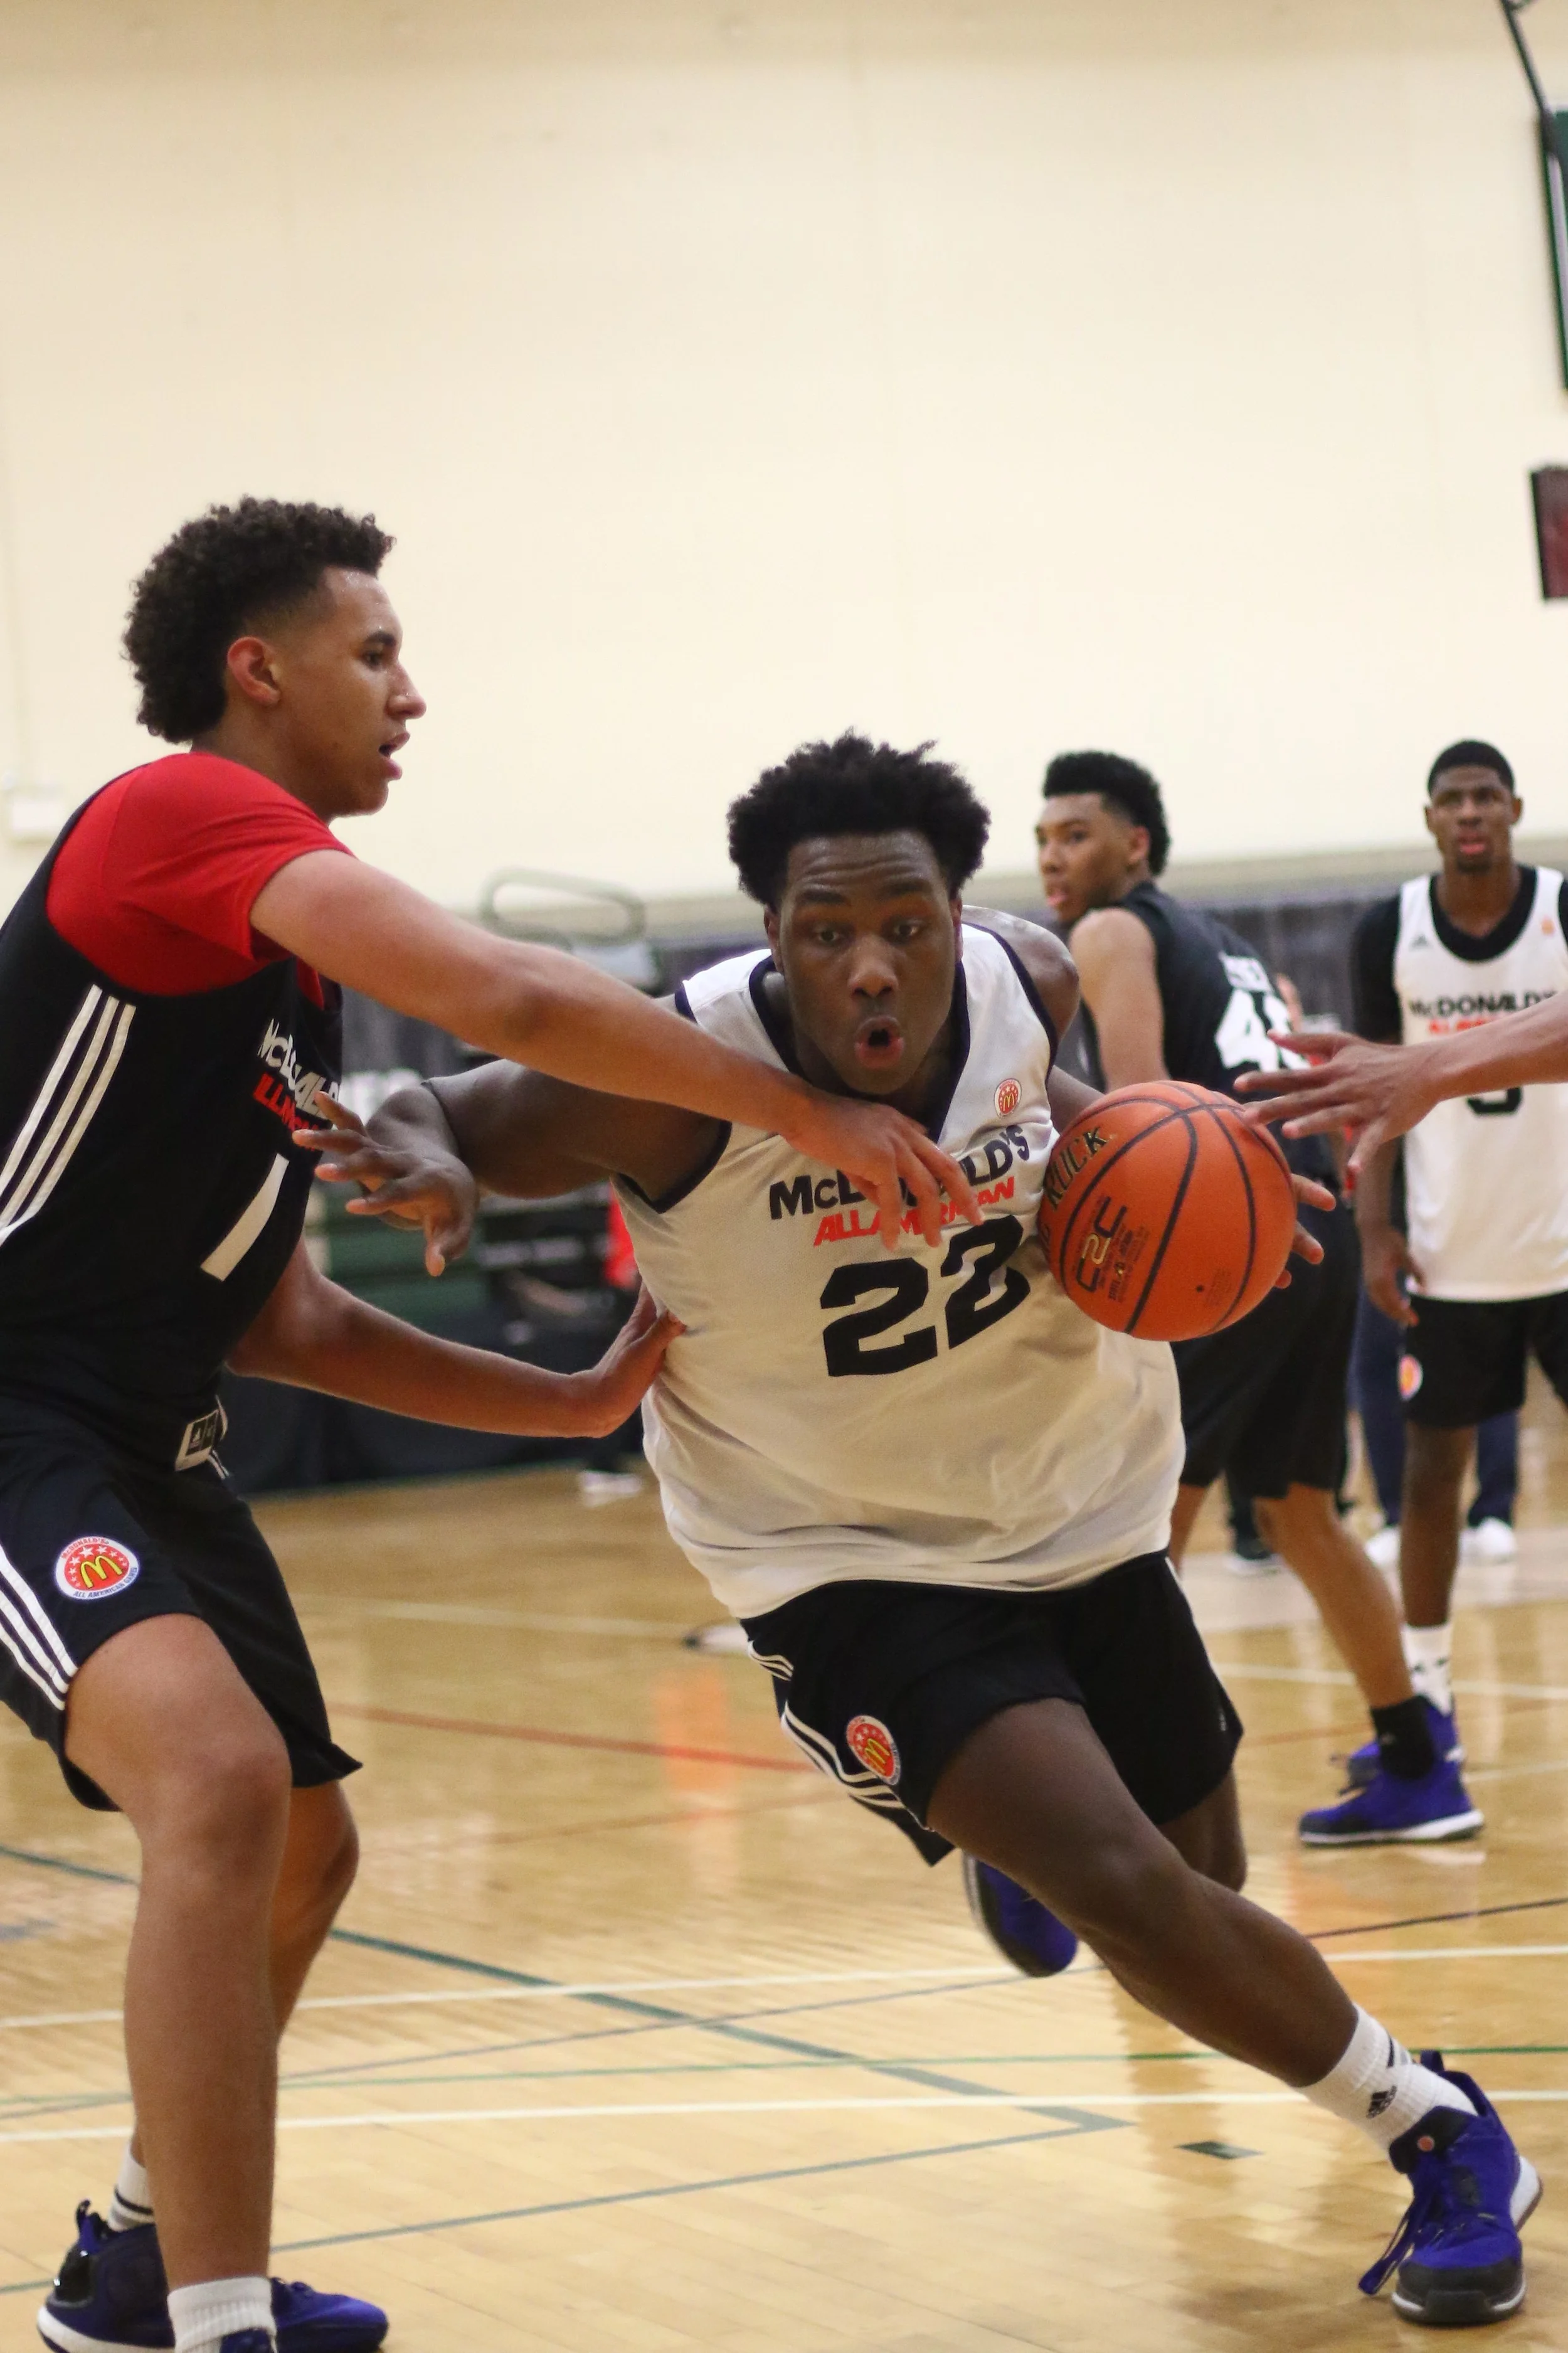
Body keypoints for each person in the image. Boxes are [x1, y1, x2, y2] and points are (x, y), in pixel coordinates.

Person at [347, 731, 1540, 2329]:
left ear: (954, 915)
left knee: (1197, 1886)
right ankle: (1443, 2133)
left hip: (1073, 1488)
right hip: (840, 1553)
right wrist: (423, 1167)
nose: (870, 969)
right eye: (824, 931)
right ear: (765, 932)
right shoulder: (659, 1080)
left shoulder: (1024, 981)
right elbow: (439, 1098)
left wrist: (1193, 1197)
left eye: (903, 924)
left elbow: (1053, 1133)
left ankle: (1016, 1845)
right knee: (1127, 1885)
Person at [3, 502, 979, 2353]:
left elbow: (275, 1306)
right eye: (376, 653)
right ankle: (216, 2326)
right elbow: (518, 1000)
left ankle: (142, 2259)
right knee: (210, 1782)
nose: (411, 692)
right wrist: (811, 1112)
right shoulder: (177, 818)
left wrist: (567, 1398)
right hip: (11, 1401)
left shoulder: (281, 989)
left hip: (152, 1420)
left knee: (300, 1839)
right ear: (255, 669)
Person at [1034, 750, 1478, 1847]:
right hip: (1299, 1216)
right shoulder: (1219, 938)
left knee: (1138, 1533)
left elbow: (1136, 1112)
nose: (1053, 857)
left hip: (1220, 1235)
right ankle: (1420, 1765)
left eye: (1075, 835)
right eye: (1043, 839)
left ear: (1133, 844)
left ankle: (1110, 1810)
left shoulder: (1108, 932)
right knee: (1296, 1509)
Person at [1311, 742, 1568, 1789]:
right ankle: (1426, 1701)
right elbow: (1374, 1086)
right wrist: (1373, 1229)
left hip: (1563, 1245)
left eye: (1486, 796)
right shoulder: (1391, 930)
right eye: (1452, 799)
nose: (1471, 812)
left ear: (1513, 809)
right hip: (1450, 1252)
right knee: (1428, 1482)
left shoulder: (1562, 908)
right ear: (1431, 818)